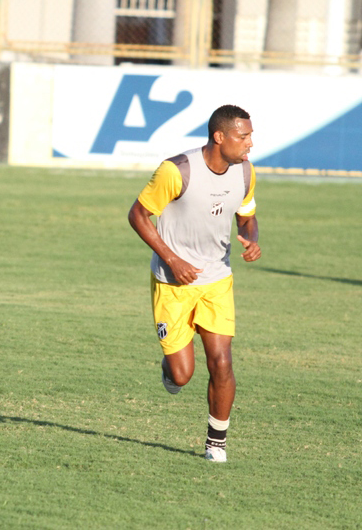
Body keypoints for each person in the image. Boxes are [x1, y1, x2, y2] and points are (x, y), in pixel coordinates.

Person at [127, 104, 261, 462]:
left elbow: (247, 217)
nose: (250, 143)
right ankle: (170, 370)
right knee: (182, 375)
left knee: (222, 362)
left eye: (250, 136)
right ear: (219, 137)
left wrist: (251, 239)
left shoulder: (245, 172)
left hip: (217, 278)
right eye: (243, 136)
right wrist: (172, 259)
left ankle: (216, 444)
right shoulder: (177, 170)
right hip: (172, 283)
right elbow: (137, 214)